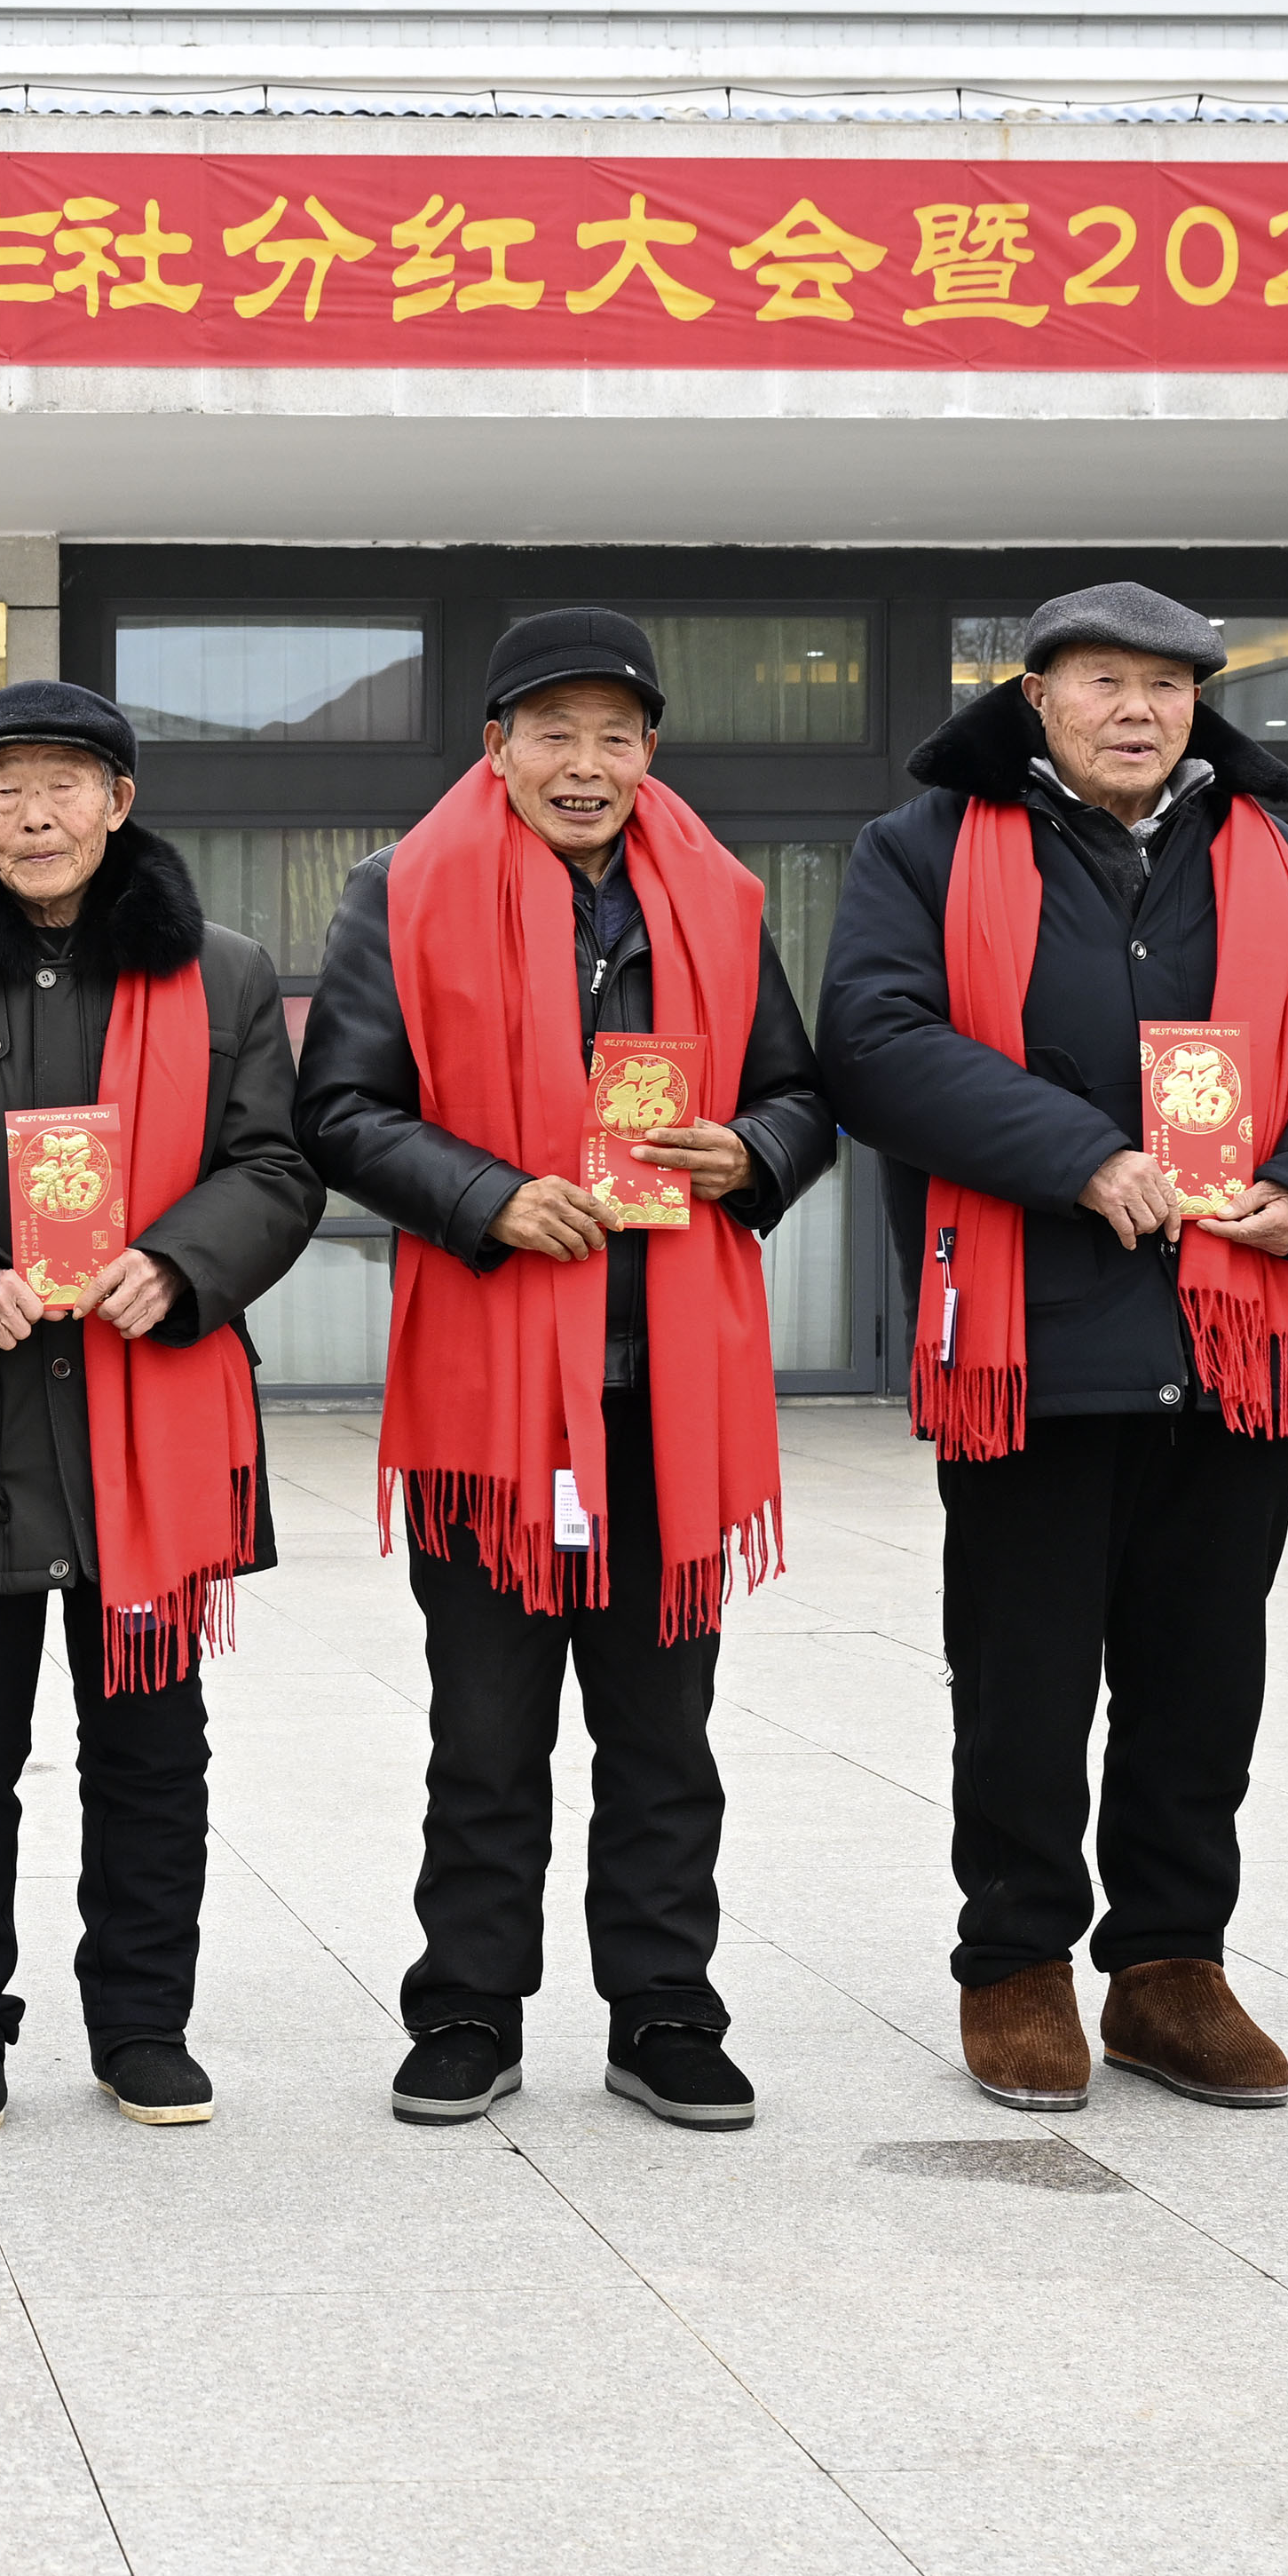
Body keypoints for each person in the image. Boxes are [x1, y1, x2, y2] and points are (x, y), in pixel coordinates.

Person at [821, 584, 1288, 2115]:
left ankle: (1170, 1968)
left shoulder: (1275, 854)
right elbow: (877, 1043)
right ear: (1035, 696)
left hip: (1236, 1329)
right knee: (1022, 1678)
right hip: (1034, 1331)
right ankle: (1015, 1963)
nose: (1138, 710)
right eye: (1104, 681)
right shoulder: (926, 847)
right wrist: (1078, 1156)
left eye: (1167, 684)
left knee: (1203, 1677)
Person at [296, 611, 833, 2131]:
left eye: (614, 735)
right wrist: (487, 1197)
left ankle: (664, 2011)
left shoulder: (718, 898)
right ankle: (467, 2005)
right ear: (498, 748)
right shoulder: (401, 888)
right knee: (486, 1729)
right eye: (553, 734)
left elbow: (801, 1095)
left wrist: (750, 1150)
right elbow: (340, 1109)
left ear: (650, 751)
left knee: (664, 1731)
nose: (584, 764)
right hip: (493, 1392)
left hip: (670, 1388)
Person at [0, 680, 320, 2133]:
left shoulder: (222, 975)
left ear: (119, 803)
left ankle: (142, 2023)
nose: (37, 816)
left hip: (150, 1426)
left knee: (151, 1753)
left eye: (65, 786)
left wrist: (183, 1262)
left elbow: (276, 1167)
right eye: (6, 790)